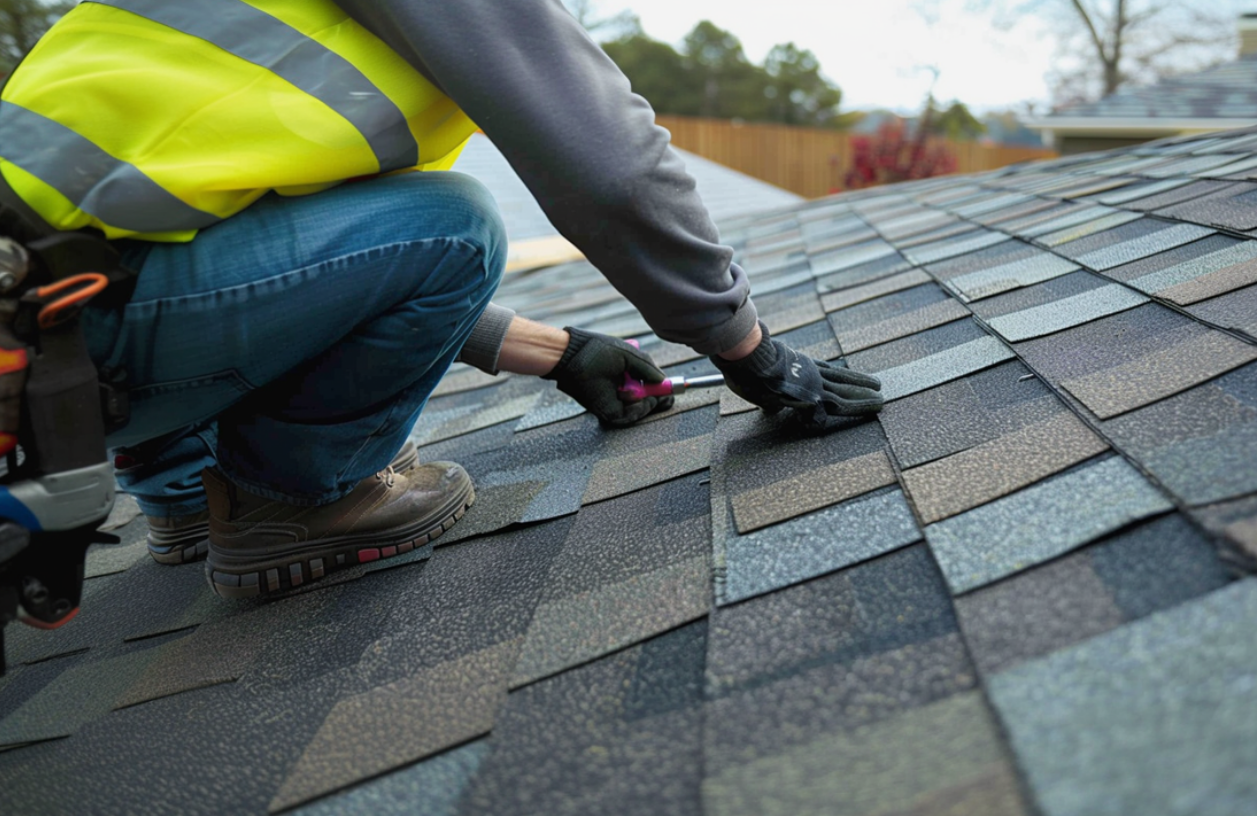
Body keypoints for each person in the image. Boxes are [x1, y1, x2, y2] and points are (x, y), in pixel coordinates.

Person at [0, 0, 883, 597]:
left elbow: (271, 259)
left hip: (55, 336)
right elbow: (607, 167)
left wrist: (559, 352)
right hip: (73, 333)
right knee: (457, 222)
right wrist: (749, 350)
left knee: (388, 231)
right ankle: (291, 501)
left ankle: (188, 496)